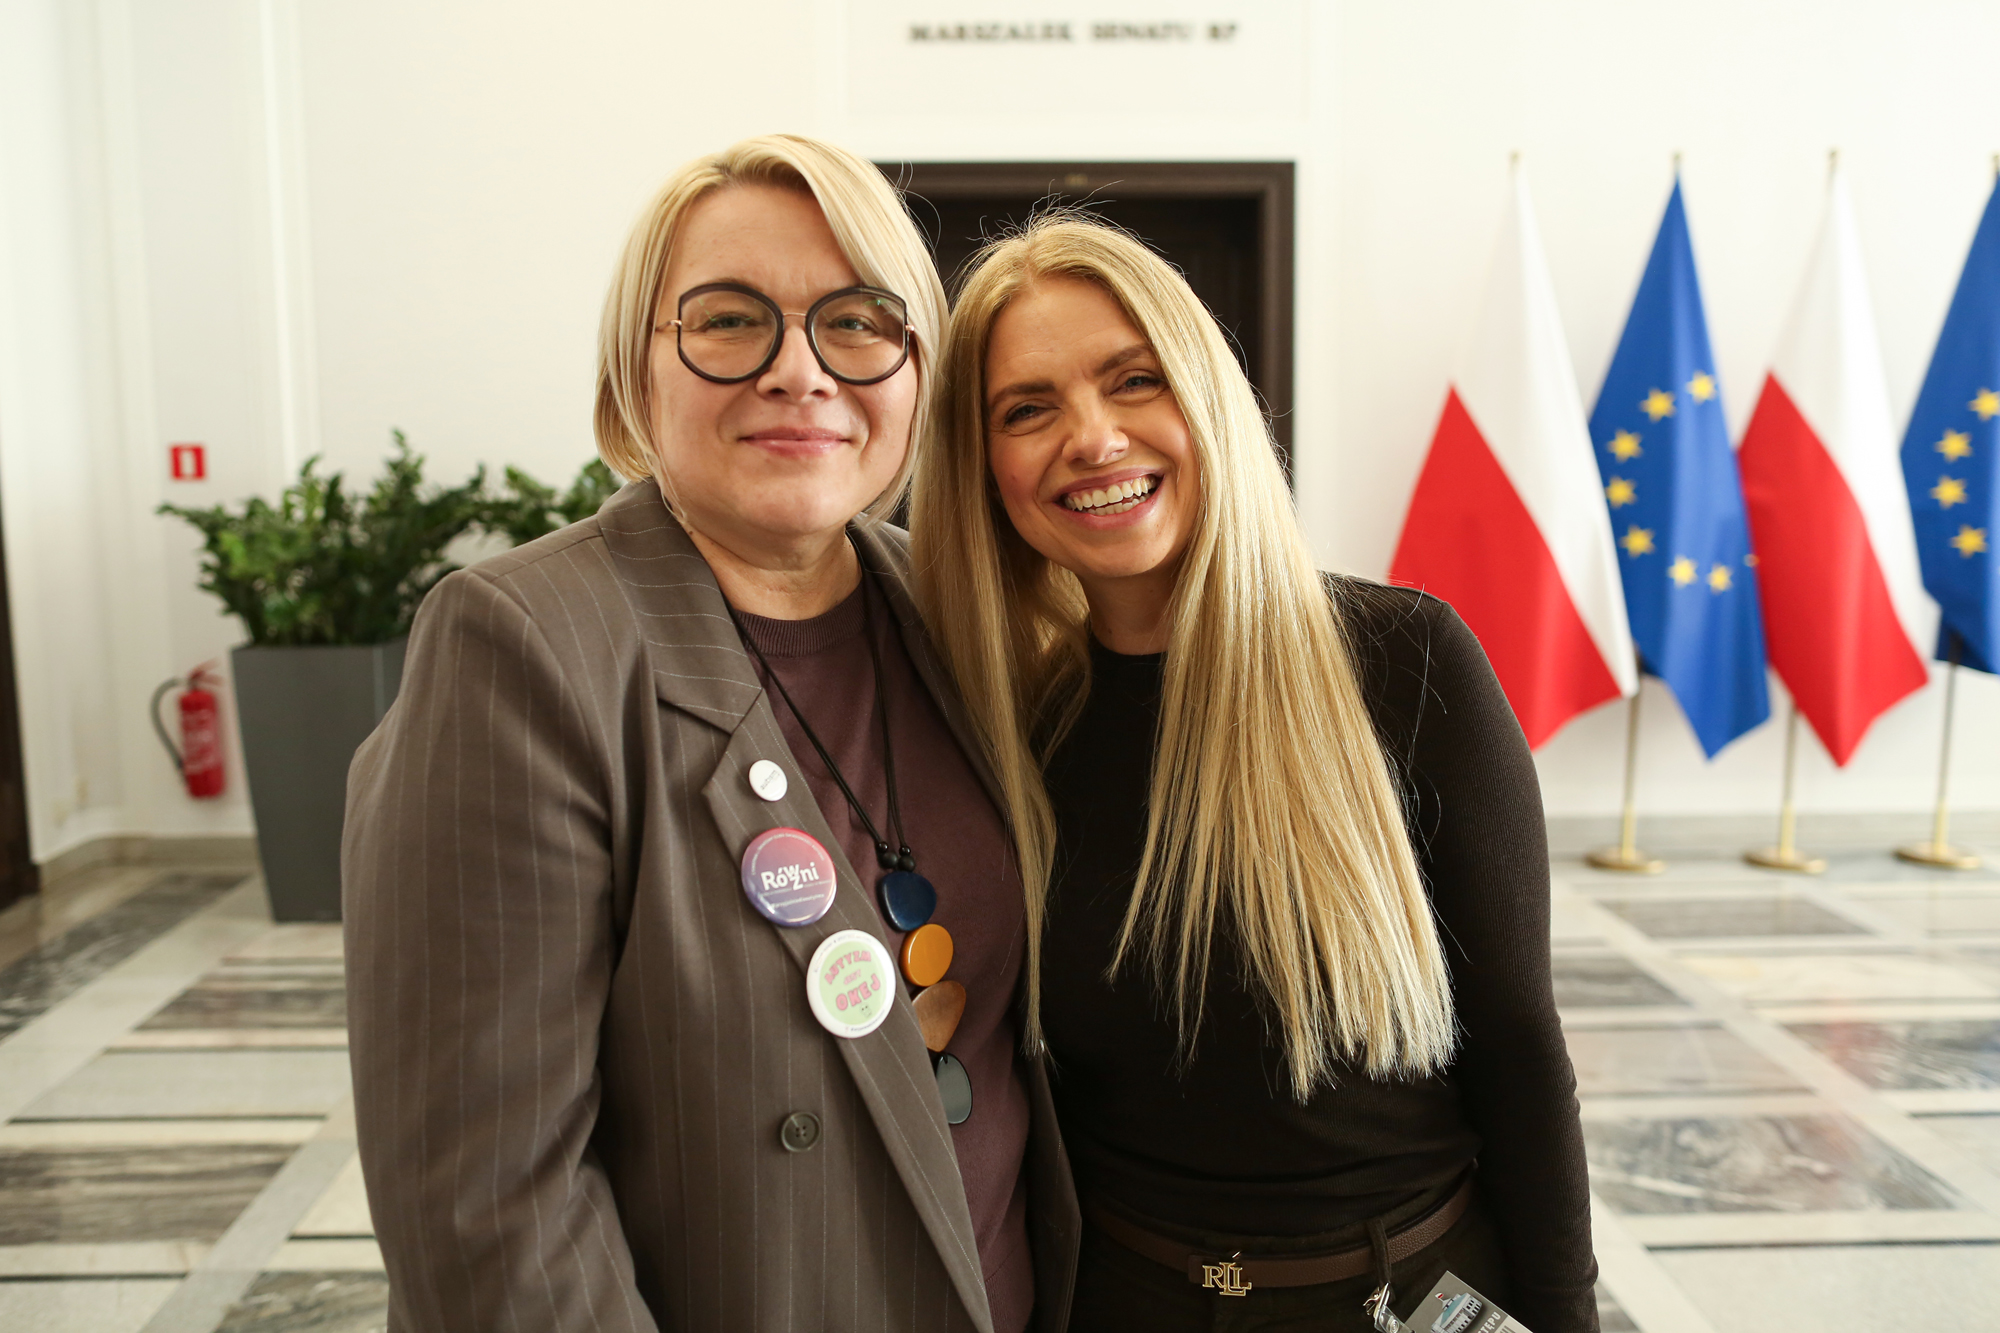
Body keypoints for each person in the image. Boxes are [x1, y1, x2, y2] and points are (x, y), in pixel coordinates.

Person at [343, 135, 1078, 1333]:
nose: (799, 371)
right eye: (729, 321)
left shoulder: (953, 612)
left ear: (917, 373)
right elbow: (490, 1213)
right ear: (635, 375)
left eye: (857, 322)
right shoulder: (521, 648)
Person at [908, 215, 1598, 1332]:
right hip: (1123, 1301)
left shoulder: (1406, 660)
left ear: (1206, 398)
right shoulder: (1011, 728)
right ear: (984, 472)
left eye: (1133, 380)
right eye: (1025, 409)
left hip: (1411, 1294)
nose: (1091, 437)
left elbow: (1519, 1051)